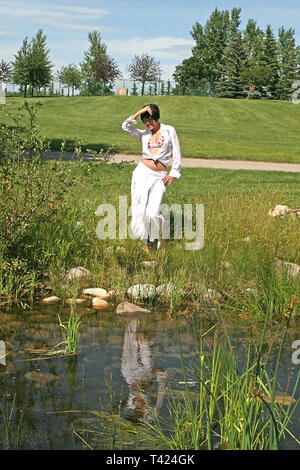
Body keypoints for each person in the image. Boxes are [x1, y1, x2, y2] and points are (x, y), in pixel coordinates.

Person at [122, 104, 182, 251]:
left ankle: (157, 238)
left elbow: (177, 152)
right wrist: (139, 112)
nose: (148, 123)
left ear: (156, 117)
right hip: (142, 173)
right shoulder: (143, 134)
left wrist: (173, 173)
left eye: (150, 120)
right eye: (145, 121)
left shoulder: (169, 130)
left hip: (160, 176)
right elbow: (126, 126)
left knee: (152, 212)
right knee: (139, 206)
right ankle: (144, 243)